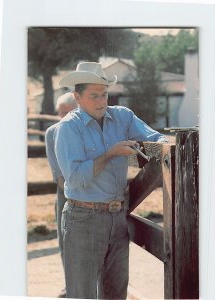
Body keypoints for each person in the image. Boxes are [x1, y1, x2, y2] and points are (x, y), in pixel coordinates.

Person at [54, 62, 167, 299]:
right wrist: (109, 154)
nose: (101, 101)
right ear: (77, 97)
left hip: (117, 217)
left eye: (104, 94)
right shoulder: (68, 128)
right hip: (83, 218)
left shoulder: (122, 116)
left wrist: (173, 147)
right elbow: (74, 179)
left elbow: (157, 139)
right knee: (82, 294)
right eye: (94, 96)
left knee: (116, 293)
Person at [45, 92, 77, 298]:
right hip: (65, 193)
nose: (62, 118)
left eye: (67, 113)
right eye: (60, 114)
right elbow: (59, 176)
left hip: (91, 194)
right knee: (65, 241)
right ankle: (70, 285)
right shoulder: (52, 133)